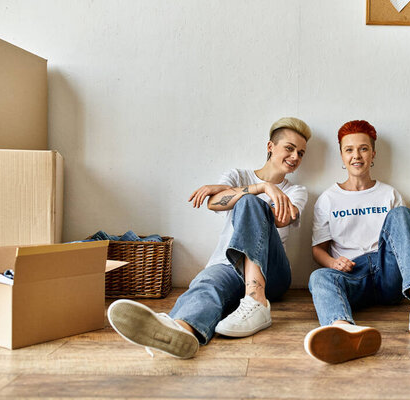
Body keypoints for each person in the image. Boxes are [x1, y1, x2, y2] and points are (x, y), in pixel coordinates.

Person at [108, 117, 311, 359]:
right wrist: (262, 187)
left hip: (273, 273)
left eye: (301, 153)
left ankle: (257, 300)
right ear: (270, 147)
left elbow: (282, 220)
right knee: (207, 284)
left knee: (250, 203)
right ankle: (180, 331)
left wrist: (254, 196)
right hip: (229, 264)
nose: (295, 157)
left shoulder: (297, 191)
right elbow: (215, 203)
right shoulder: (238, 175)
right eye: (289, 148)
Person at [304, 120, 410, 364]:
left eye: (363, 149)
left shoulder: (390, 194)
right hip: (352, 275)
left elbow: (404, 240)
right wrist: (333, 263)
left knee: (402, 214)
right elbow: (318, 250)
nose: (356, 156)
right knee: (318, 277)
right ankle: (343, 331)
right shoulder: (328, 199)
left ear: (373, 154)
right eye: (349, 150)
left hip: (388, 272)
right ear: (341, 155)